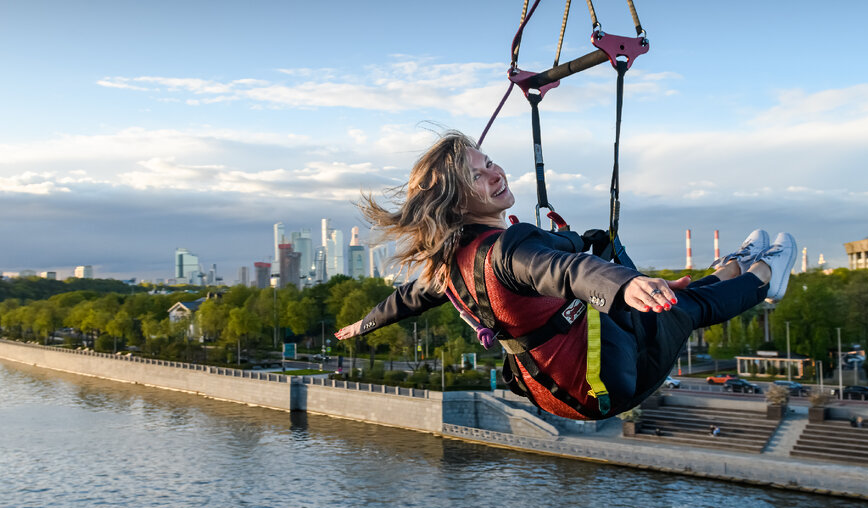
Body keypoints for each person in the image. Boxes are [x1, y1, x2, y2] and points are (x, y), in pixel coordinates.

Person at [335, 130, 798, 420]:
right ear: (458, 202)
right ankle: (763, 276)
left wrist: (363, 324)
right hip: (603, 384)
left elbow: (408, 298)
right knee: (677, 307)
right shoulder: (504, 252)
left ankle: (731, 268)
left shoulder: (451, 260)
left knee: (634, 273)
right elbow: (564, 270)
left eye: (489, 162)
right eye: (478, 176)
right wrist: (625, 284)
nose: (495, 174)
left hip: (554, 388)